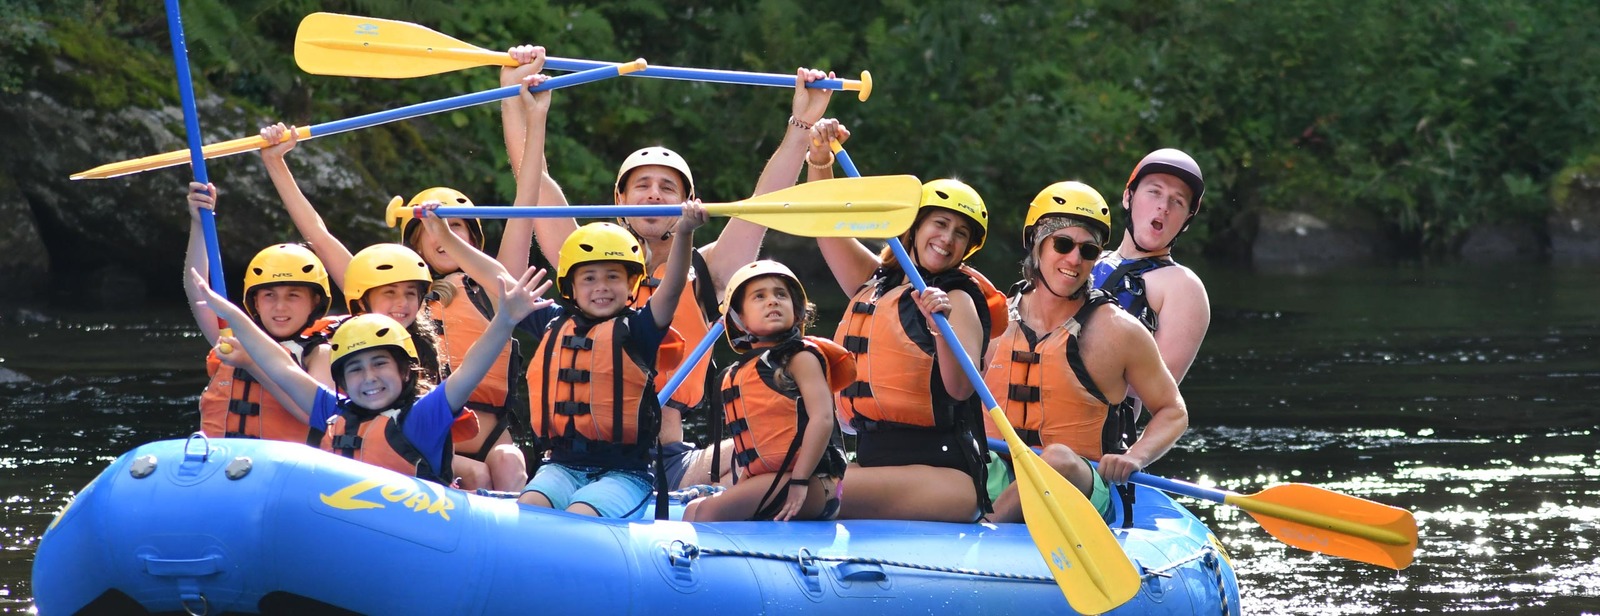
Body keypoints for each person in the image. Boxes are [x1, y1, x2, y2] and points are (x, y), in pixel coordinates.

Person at [509, 67, 836, 491]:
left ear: (688, 203)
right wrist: (512, 94)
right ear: (619, 201)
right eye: (641, 185)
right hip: (579, 459)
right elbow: (533, 181)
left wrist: (801, 124)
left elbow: (763, 204)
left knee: (766, 444)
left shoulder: (709, 268)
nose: (654, 193)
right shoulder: (585, 263)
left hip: (672, 461)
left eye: (668, 187)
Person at [257, 46, 551, 491]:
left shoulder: (495, 284)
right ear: (413, 243)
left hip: (490, 432)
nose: (443, 237)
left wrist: (517, 101)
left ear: (472, 239)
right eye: (432, 229)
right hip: (413, 431)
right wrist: (277, 165)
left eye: (456, 228)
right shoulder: (388, 287)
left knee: (507, 461)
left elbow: (526, 196)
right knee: (475, 473)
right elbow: (319, 235)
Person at [805, 124, 1007, 522]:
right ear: (914, 227)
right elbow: (824, 222)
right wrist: (819, 158)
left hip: (943, 479)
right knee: (775, 472)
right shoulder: (878, 282)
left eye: (960, 233)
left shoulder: (960, 299)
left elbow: (961, 387)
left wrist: (939, 325)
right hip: (874, 465)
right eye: (939, 224)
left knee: (793, 486)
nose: (947, 239)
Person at [190, 266, 552, 485]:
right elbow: (281, 368)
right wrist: (234, 315)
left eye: (380, 364)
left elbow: (470, 370)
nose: (369, 378)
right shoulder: (333, 412)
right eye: (356, 369)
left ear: (406, 371)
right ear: (343, 383)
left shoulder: (422, 419)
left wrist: (505, 320)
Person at [984, 181, 1190, 523]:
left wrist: (1134, 457)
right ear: (1036, 242)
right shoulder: (994, 318)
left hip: (1078, 485)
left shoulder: (1119, 331)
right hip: (996, 474)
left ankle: (986, 531)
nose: (1074, 259)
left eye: (1088, 251)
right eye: (1063, 244)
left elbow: (1173, 411)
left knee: (1057, 460)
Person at [516, 210, 706, 518]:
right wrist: (445, 236)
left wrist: (684, 233)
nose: (601, 286)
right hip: (562, 467)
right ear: (571, 288)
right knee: (531, 507)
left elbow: (671, 290)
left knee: (581, 512)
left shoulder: (640, 330)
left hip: (625, 474)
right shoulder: (552, 323)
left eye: (613, 277)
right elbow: (494, 274)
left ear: (632, 283)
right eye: (589, 278)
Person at [681, 261, 853, 522]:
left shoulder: (801, 358)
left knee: (707, 512)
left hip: (814, 484)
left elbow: (823, 419)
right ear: (740, 319)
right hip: (774, 480)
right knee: (693, 509)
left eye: (780, 294)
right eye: (759, 296)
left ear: (796, 312)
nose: (772, 301)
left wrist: (799, 481)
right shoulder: (743, 370)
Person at [182, 182, 336, 443]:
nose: (279, 306)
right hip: (224, 465)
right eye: (269, 296)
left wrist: (252, 364)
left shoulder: (321, 354)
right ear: (254, 302)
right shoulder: (233, 337)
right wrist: (199, 224)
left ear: (315, 303)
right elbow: (198, 291)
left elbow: (314, 414)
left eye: (293, 296)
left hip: (286, 472)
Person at [1089, 149, 1210, 455]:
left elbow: (1153, 392)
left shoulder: (1182, 286)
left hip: (1097, 437)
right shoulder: (1080, 259)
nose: (1164, 206)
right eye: (1154, 191)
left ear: (1186, 221)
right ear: (1128, 198)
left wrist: (1134, 458)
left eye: (1178, 201)